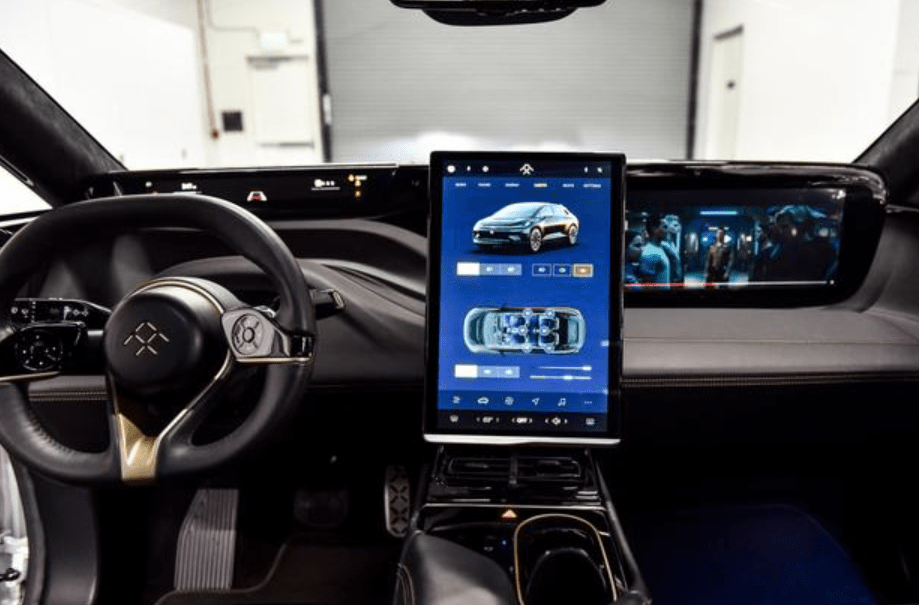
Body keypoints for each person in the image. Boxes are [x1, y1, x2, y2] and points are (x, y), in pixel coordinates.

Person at [638, 213, 671, 288]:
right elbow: (647, 287)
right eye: (664, 227)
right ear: (654, 229)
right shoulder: (650, 253)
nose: (667, 230)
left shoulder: (660, 247)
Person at [661, 214, 684, 285]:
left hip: (674, 277)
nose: (678, 228)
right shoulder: (663, 243)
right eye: (675, 225)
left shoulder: (671, 242)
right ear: (667, 225)